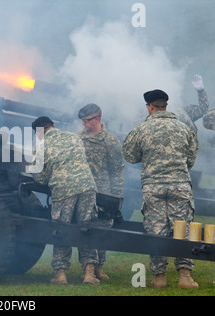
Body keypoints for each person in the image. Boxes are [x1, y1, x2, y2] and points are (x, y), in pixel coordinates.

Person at [123, 89, 199, 289]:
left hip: (153, 186)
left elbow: (129, 156)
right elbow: (190, 159)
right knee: (182, 229)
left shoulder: (141, 129)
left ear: (150, 107)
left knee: (155, 230)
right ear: (165, 105)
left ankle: (159, 277)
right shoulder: (183, 128)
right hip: (180, 184)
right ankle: (185, 276)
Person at [31, 116, 100, 285]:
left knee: (62, 230)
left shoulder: (40, 146)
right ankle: (89, 273)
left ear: (38, 133)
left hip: (63, 190)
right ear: (54, 126)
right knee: (87, 228)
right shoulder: (73, 137)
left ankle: (60, 274)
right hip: (87, 186)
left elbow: (38, 177)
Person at [77, 103, 125, 281]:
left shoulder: (110, 141)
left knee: (104, 230)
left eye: (86, 121)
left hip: (104, 193)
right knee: (87, 229)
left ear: (97, 118)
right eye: (82, 121)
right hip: (85, 191)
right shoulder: (78, 138)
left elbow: (117, 170)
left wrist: (116, 196)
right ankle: (88, 269)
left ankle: (99, 268)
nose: (83, 124)